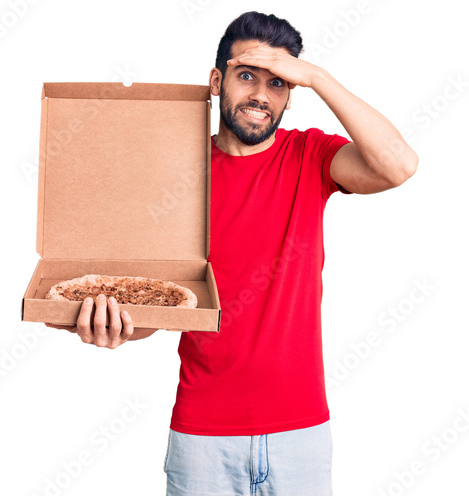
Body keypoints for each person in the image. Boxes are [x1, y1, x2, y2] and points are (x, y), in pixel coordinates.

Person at [47, 11, 418, 495]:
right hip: (202, 436)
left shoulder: (310, 157)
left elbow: (399, 165)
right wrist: (115, 326)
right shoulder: (174, 177)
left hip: (300, 433)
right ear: (217, 81)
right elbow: (164, 306)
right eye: (247, 76)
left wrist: (318, 78)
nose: (262, 95)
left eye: (279, 83)